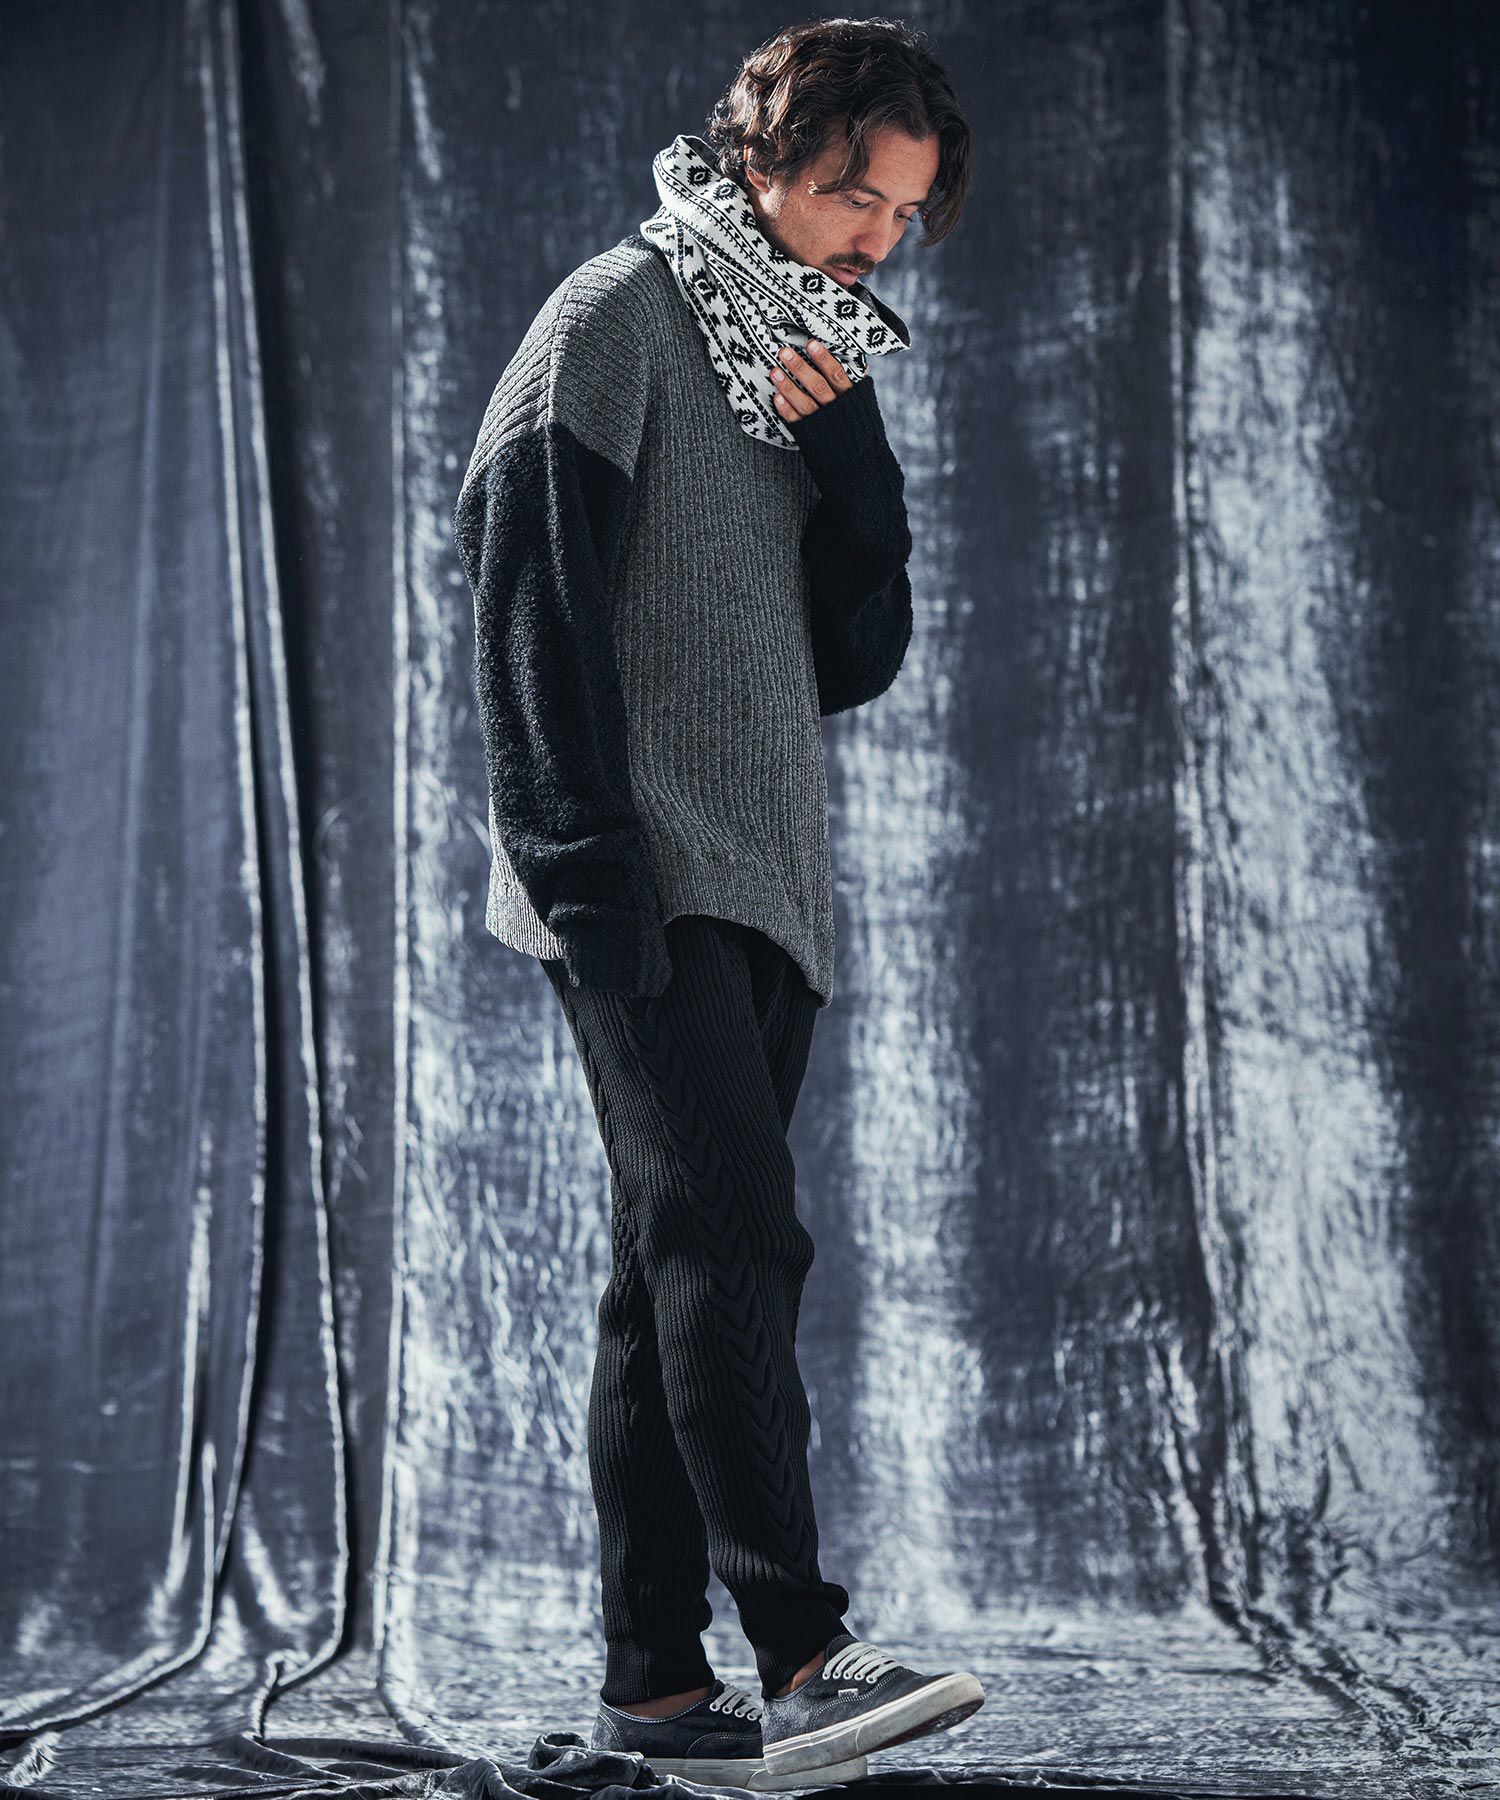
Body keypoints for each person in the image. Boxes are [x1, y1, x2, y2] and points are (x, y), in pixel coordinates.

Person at [452, 16, 983, 1789]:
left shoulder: (806, 362)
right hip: (636, 878)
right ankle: (805, 1653)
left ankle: (656, 1692)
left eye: (902, 213)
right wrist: (584, 872)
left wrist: (857, 475)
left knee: (667, 1274)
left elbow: (848, 662)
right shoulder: (614, 316)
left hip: (767, 884)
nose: (875, 239)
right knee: (736, 1244)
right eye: (851, 195)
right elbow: (524, 604)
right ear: (762, 158)